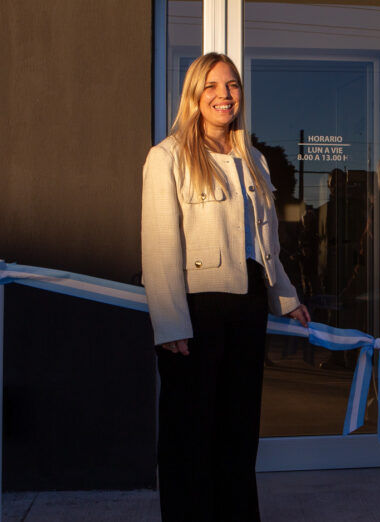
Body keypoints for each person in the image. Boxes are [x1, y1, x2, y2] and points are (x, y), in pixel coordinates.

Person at [141, 52, 310, 521]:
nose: (224, 95)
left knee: (238, 435)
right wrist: (170, 322)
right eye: (212, 86)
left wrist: (286, 298)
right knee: (189, 437)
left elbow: (265, 242)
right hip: (196, 313)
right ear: (195, 95)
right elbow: (159, 247)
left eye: (232, 85)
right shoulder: (167, 156)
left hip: (248, 308)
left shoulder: (252, 157)